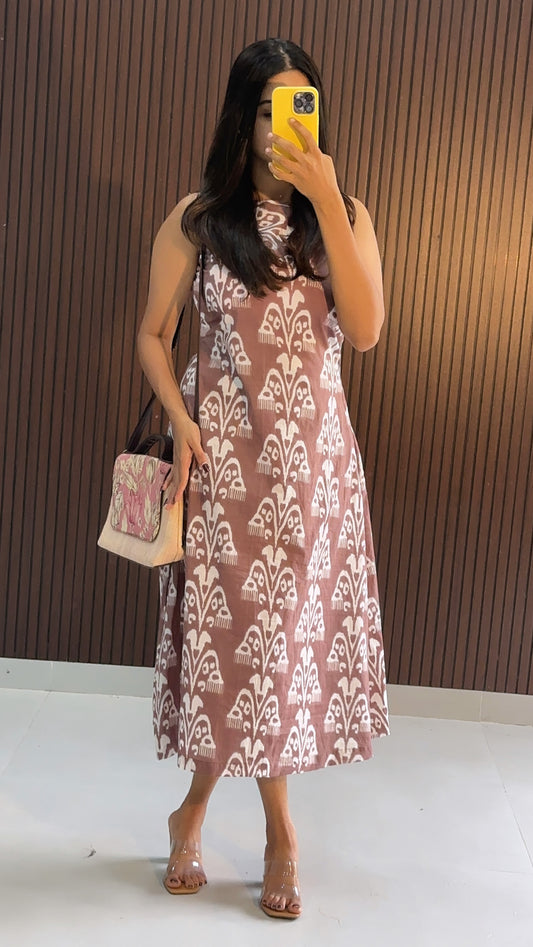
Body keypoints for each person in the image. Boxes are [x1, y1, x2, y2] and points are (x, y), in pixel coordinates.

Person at [137, 37, 390, 920]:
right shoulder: (201, 218)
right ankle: (251, 826)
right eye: (269, 106)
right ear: (241, 117)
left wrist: (324, 195)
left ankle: (219, 817)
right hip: (222, 471)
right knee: (229, 650)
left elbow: (365, 330)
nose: (285, 122)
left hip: (312, 476)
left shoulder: (343, 215)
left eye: (301, 104)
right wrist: (179, 418)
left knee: (276, 651)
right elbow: (152, 333)